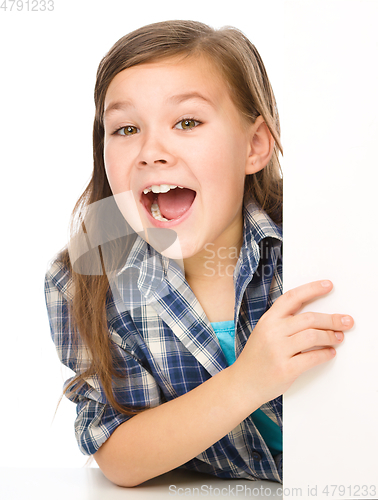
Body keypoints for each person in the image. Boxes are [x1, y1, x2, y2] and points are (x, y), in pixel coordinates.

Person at [44, 20, 354, 488]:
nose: (151, 151)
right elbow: (119, 457)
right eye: (126, 128)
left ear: (254, 146)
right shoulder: (84, 278)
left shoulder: (326, 240)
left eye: (187, 122)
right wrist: (248, 381)